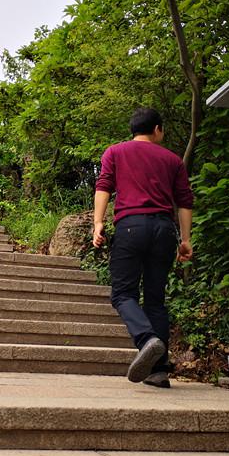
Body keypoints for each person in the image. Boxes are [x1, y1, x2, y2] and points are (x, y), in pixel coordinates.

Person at [92, 107, 193, 389]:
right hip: (164, 230)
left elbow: (104, 186)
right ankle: (158, 372)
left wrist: (98, 223)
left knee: (123, 294)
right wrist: (186, 239)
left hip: (130, 226)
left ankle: (147, 339)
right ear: (157, 129)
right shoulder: (173, 160)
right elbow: (184, 201)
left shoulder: (115, 152)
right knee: (155, 299)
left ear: (133, 130)